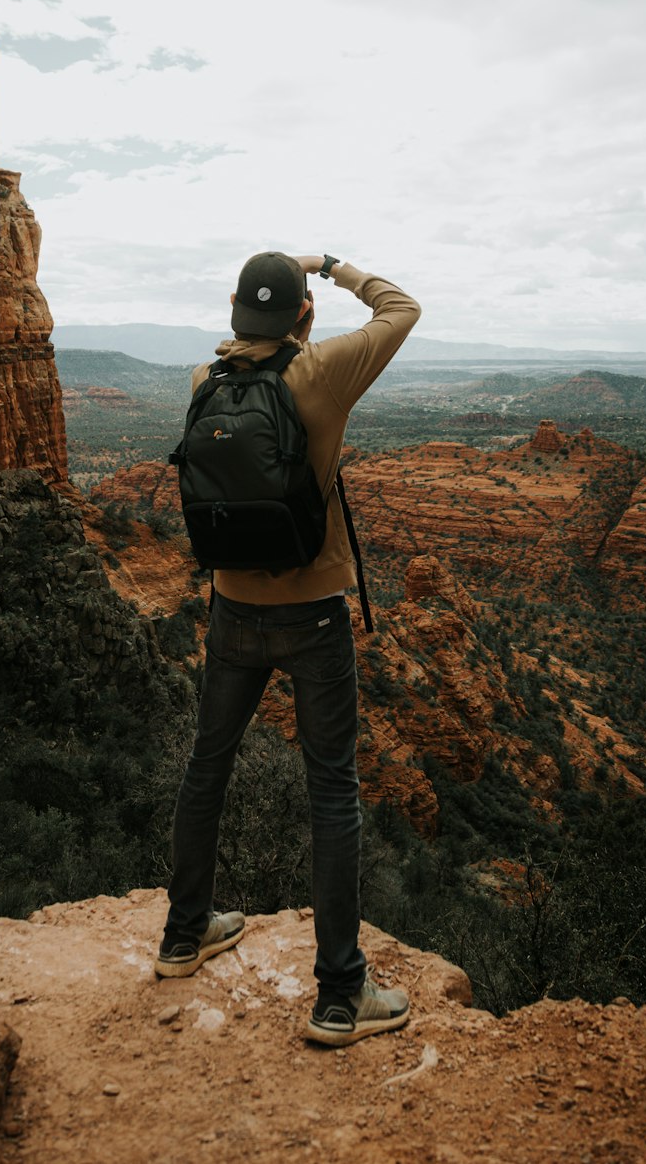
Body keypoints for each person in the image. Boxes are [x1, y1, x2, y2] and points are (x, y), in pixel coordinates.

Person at [155, 250, 421, 1046]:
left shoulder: (206, 384)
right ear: (303, 316)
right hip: (313, 613)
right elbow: (401, 308)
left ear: (235, 309)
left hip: (232, 607)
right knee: (332, 791)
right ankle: (340, 994)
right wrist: (332, 267)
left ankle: (182, 935)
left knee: (209, 766)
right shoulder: (323, 374)